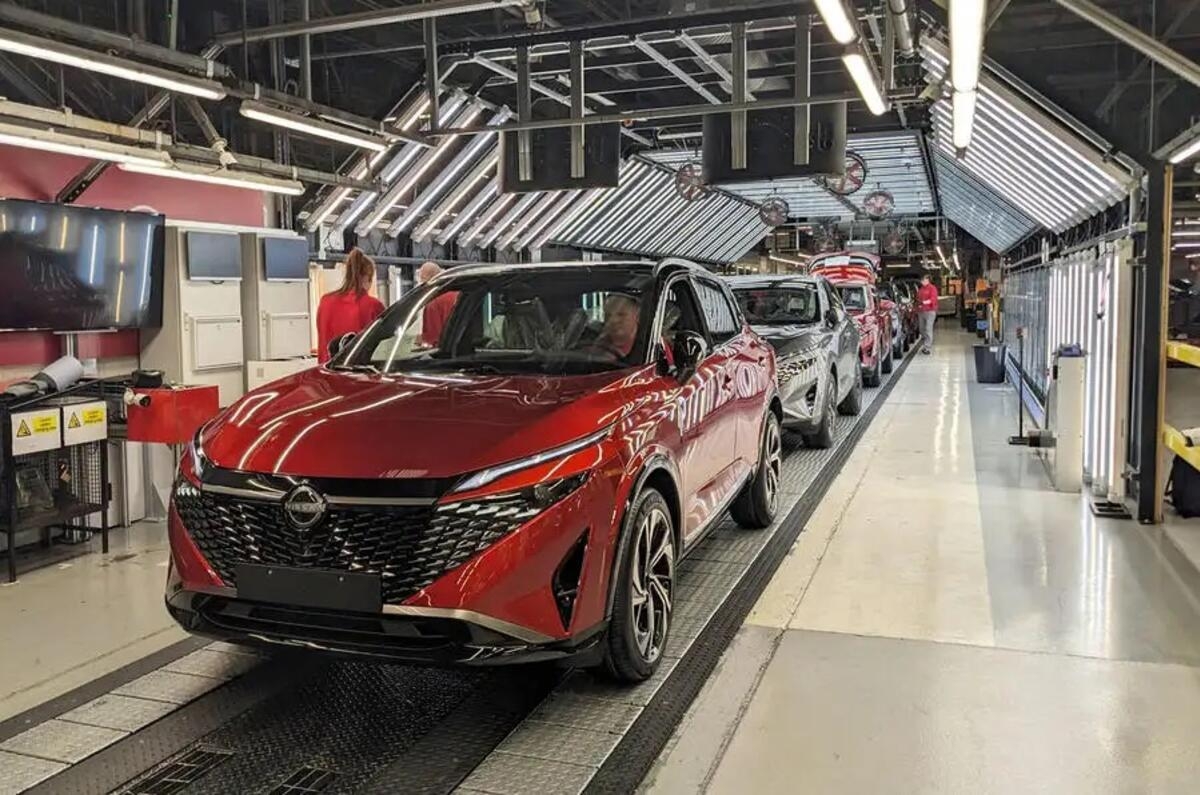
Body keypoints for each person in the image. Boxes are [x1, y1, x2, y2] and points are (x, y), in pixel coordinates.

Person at [316, 248, 384, 364]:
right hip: (359, 371)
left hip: (327, 370)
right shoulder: (374, 306)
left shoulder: (325, 301)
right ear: (367, 277)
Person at [416, 261, 457, 348]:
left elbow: (433, 338)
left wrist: (419, 339)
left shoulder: (433, 303)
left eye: (422, 278)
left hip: (444, 351)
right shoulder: (458, 294)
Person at [591, 292, 640, 359]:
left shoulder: (648, 344)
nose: (613, 320)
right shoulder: (599, 344)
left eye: (621, 314)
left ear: (637, 316)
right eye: (608, 315)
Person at [916, 273, 939, 354]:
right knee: (922, 329)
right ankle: (925, 342)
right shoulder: (921, 289)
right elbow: (918, 298)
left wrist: (924, 302)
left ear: (928, 280)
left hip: (930, 311)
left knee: (928, 328)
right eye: (921, 280)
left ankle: (927, 347)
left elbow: (933, 299)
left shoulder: (932, 288)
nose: (922, 281)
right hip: (921, 311)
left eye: (923, 280)